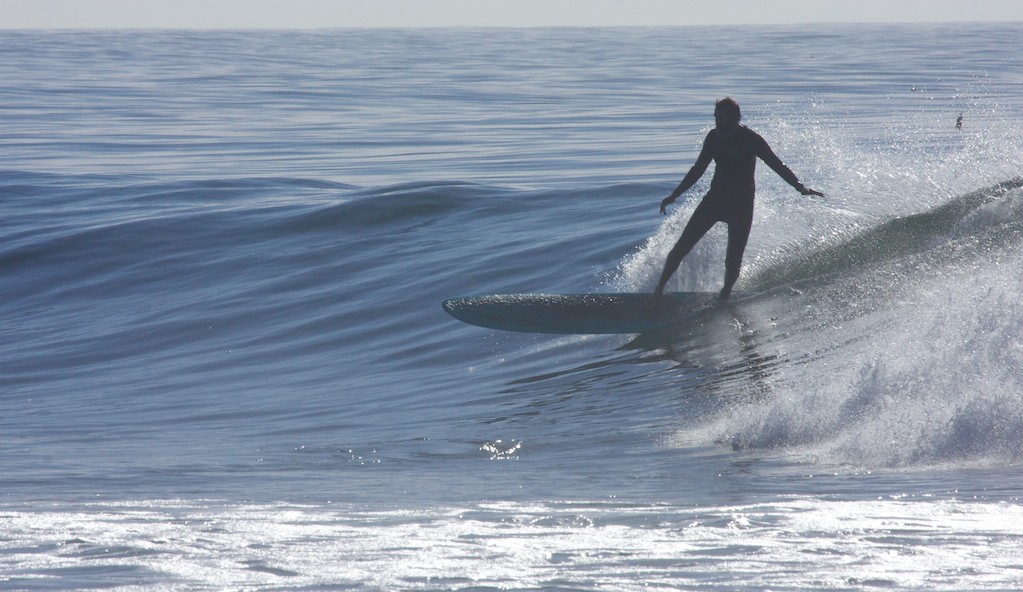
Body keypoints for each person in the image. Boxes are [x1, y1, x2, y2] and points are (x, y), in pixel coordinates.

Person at [649, 98, 823, 305]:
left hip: (741, 205)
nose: (718, 122)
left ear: (735, 118)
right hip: (715, 200)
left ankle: (725, 295)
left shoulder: (751, 139)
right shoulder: (713, 138)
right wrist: (675, 195)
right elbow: (698, 169)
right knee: (681, 247)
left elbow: (776, 164)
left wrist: (799, 187)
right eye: (716, 117)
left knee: (733, 260)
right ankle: (658, 291)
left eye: (722, 118)